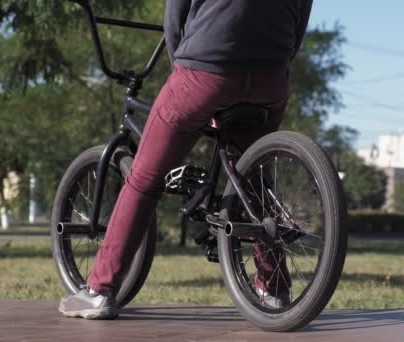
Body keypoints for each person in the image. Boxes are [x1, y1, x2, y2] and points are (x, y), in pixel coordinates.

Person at [59, 0, 313, 319]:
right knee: (255, 182)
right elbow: (300, 23)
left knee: (144, 179)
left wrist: (185, 66)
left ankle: (99, 289)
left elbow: (175, 17)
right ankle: (274, 289)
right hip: (272, 78)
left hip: (206, 66)